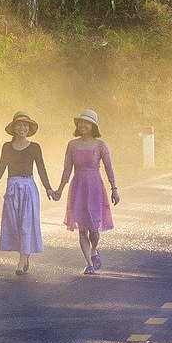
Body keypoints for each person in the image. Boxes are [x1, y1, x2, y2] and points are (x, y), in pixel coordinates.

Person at [0, 112, 54, 275]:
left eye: (25, 125)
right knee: (14, 225)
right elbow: (0, 169)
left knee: (26, 224)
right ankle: (25, 255)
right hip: (12, 188)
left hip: (28, 188)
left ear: (29, 128)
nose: (22, 128)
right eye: (19, 125)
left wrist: (48, 188)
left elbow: (41, 169)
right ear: (14, 128)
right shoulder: (7, 147)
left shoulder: (34, 147)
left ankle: (21, 260)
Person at [58, 109, 118, 275]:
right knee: (82, 227)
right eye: (81, 122)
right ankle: (89, 264)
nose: (82, 125)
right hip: (78, 188)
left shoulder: (100, 145)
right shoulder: (72, 145)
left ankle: (94, 249)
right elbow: (67, 169)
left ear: (93, 126)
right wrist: (59, 189)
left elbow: (109, 168)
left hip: (95, 188)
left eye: (87, 123)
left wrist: (114, 188)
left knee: (94, 229)